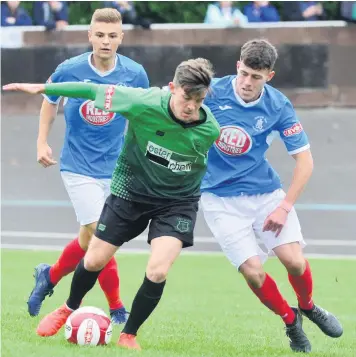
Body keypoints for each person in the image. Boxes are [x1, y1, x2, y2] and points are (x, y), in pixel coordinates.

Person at [3, 57, 220, 350]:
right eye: (186, 96)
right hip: (130, 193)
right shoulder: (142, 101)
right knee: (93, 259)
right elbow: (90, 91)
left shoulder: (209, 130)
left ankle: (128, 333)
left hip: (177, 202)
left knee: (157, 271)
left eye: (199, 99)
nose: (192, 106)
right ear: (172, 88)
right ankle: (68, 307)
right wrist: (44, 87)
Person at [201, 39, 343, 353]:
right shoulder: (210, 91)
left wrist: (284, 206)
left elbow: (305, 162)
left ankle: (308, 306)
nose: (247, 83)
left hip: (264, 194)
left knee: (293, 261)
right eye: (245, 74)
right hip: (218, 199)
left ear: (270, 76)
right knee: (253, 272)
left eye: (257, 77)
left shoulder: (278, 105)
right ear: (237, 66)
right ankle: (290, 320)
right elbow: (175, 104)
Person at [25, 8, 149, 325]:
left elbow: (143, 116)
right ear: (89, 35)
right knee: (101, 236)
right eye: (100, 35)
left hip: (117, 170)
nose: (105, 41)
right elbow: (49, 101)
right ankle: (118, 309)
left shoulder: (135, 74)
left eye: (112, 36)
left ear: (121, 37)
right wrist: (41, 141)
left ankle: (48, 277)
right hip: (77, 167)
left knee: (87, 240)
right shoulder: (70, 69)